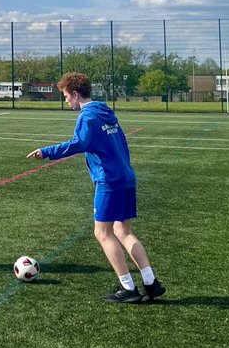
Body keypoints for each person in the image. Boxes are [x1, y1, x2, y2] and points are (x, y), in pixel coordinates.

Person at [28, 72, 166, 303]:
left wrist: (46, 152)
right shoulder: (107, 112)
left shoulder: (87, 117)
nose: (65, 101)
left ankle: (128, 288)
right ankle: (151, 283)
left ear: (74, 94)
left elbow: (78, 144)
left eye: (65, 96)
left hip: (109, 180)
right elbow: (122, 144)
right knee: (124, 231)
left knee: (102, 232)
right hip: (126, 176)